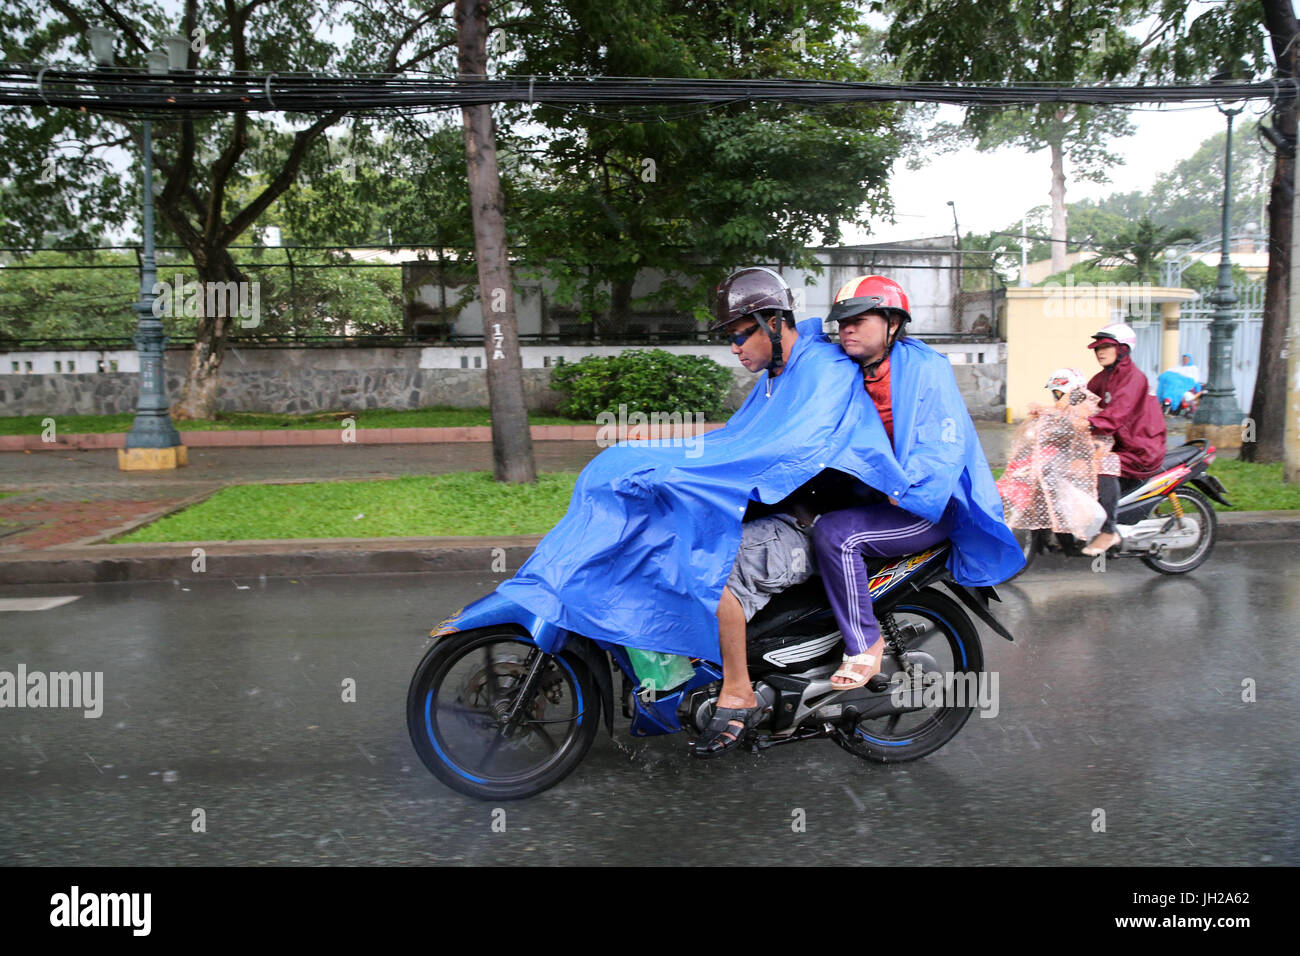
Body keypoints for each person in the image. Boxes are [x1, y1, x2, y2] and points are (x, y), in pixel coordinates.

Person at [812, 275, 1023, 689]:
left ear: (892, 323)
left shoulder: (926, 370)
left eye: (858, 319)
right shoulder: (843, 369)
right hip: (869, 497)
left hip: (924, 505)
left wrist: (907, 490)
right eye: (841, 321)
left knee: (837, 536)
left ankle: (864, 645)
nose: (846, 329)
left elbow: (941, 444)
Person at [1080, 323, 1167, 556]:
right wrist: (1052, 413)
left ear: (1123, 350)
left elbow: (1116, 414)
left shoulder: (1133, 378)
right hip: (1117, 443)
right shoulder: (1102, 378)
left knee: (1102, 463)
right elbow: (1082, 400)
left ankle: (1109, 531)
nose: (1100, 351)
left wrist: (1088, 423)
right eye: (1098, 347)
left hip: (1140, 448)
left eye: (1107, 346)